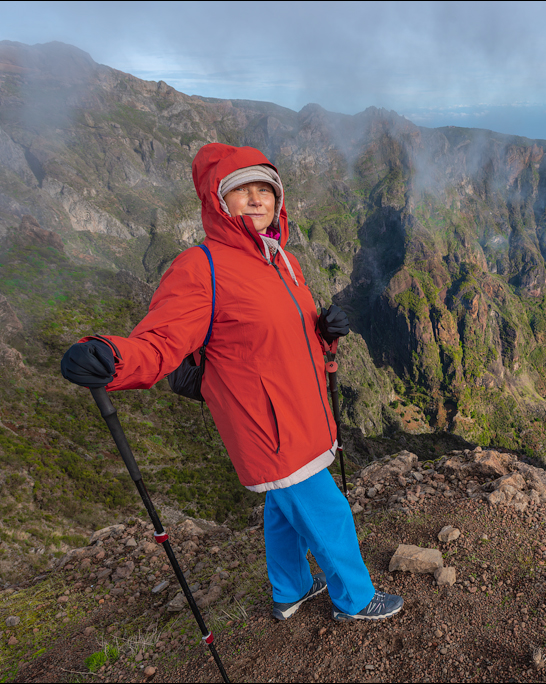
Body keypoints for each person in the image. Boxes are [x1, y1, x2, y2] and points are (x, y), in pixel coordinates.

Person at [60, 143, 402, 622]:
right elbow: (161, 341)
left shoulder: (281, 258)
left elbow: (282, 338)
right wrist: (113, 358)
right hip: (270, 426)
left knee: (284, 511)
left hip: (300, 411)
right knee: (330, 515)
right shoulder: (201, 268)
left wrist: (324, 332)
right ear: (219, 202)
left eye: (267, 189)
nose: (258, 199)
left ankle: (289, 591)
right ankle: (356, 600)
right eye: (243, 190)